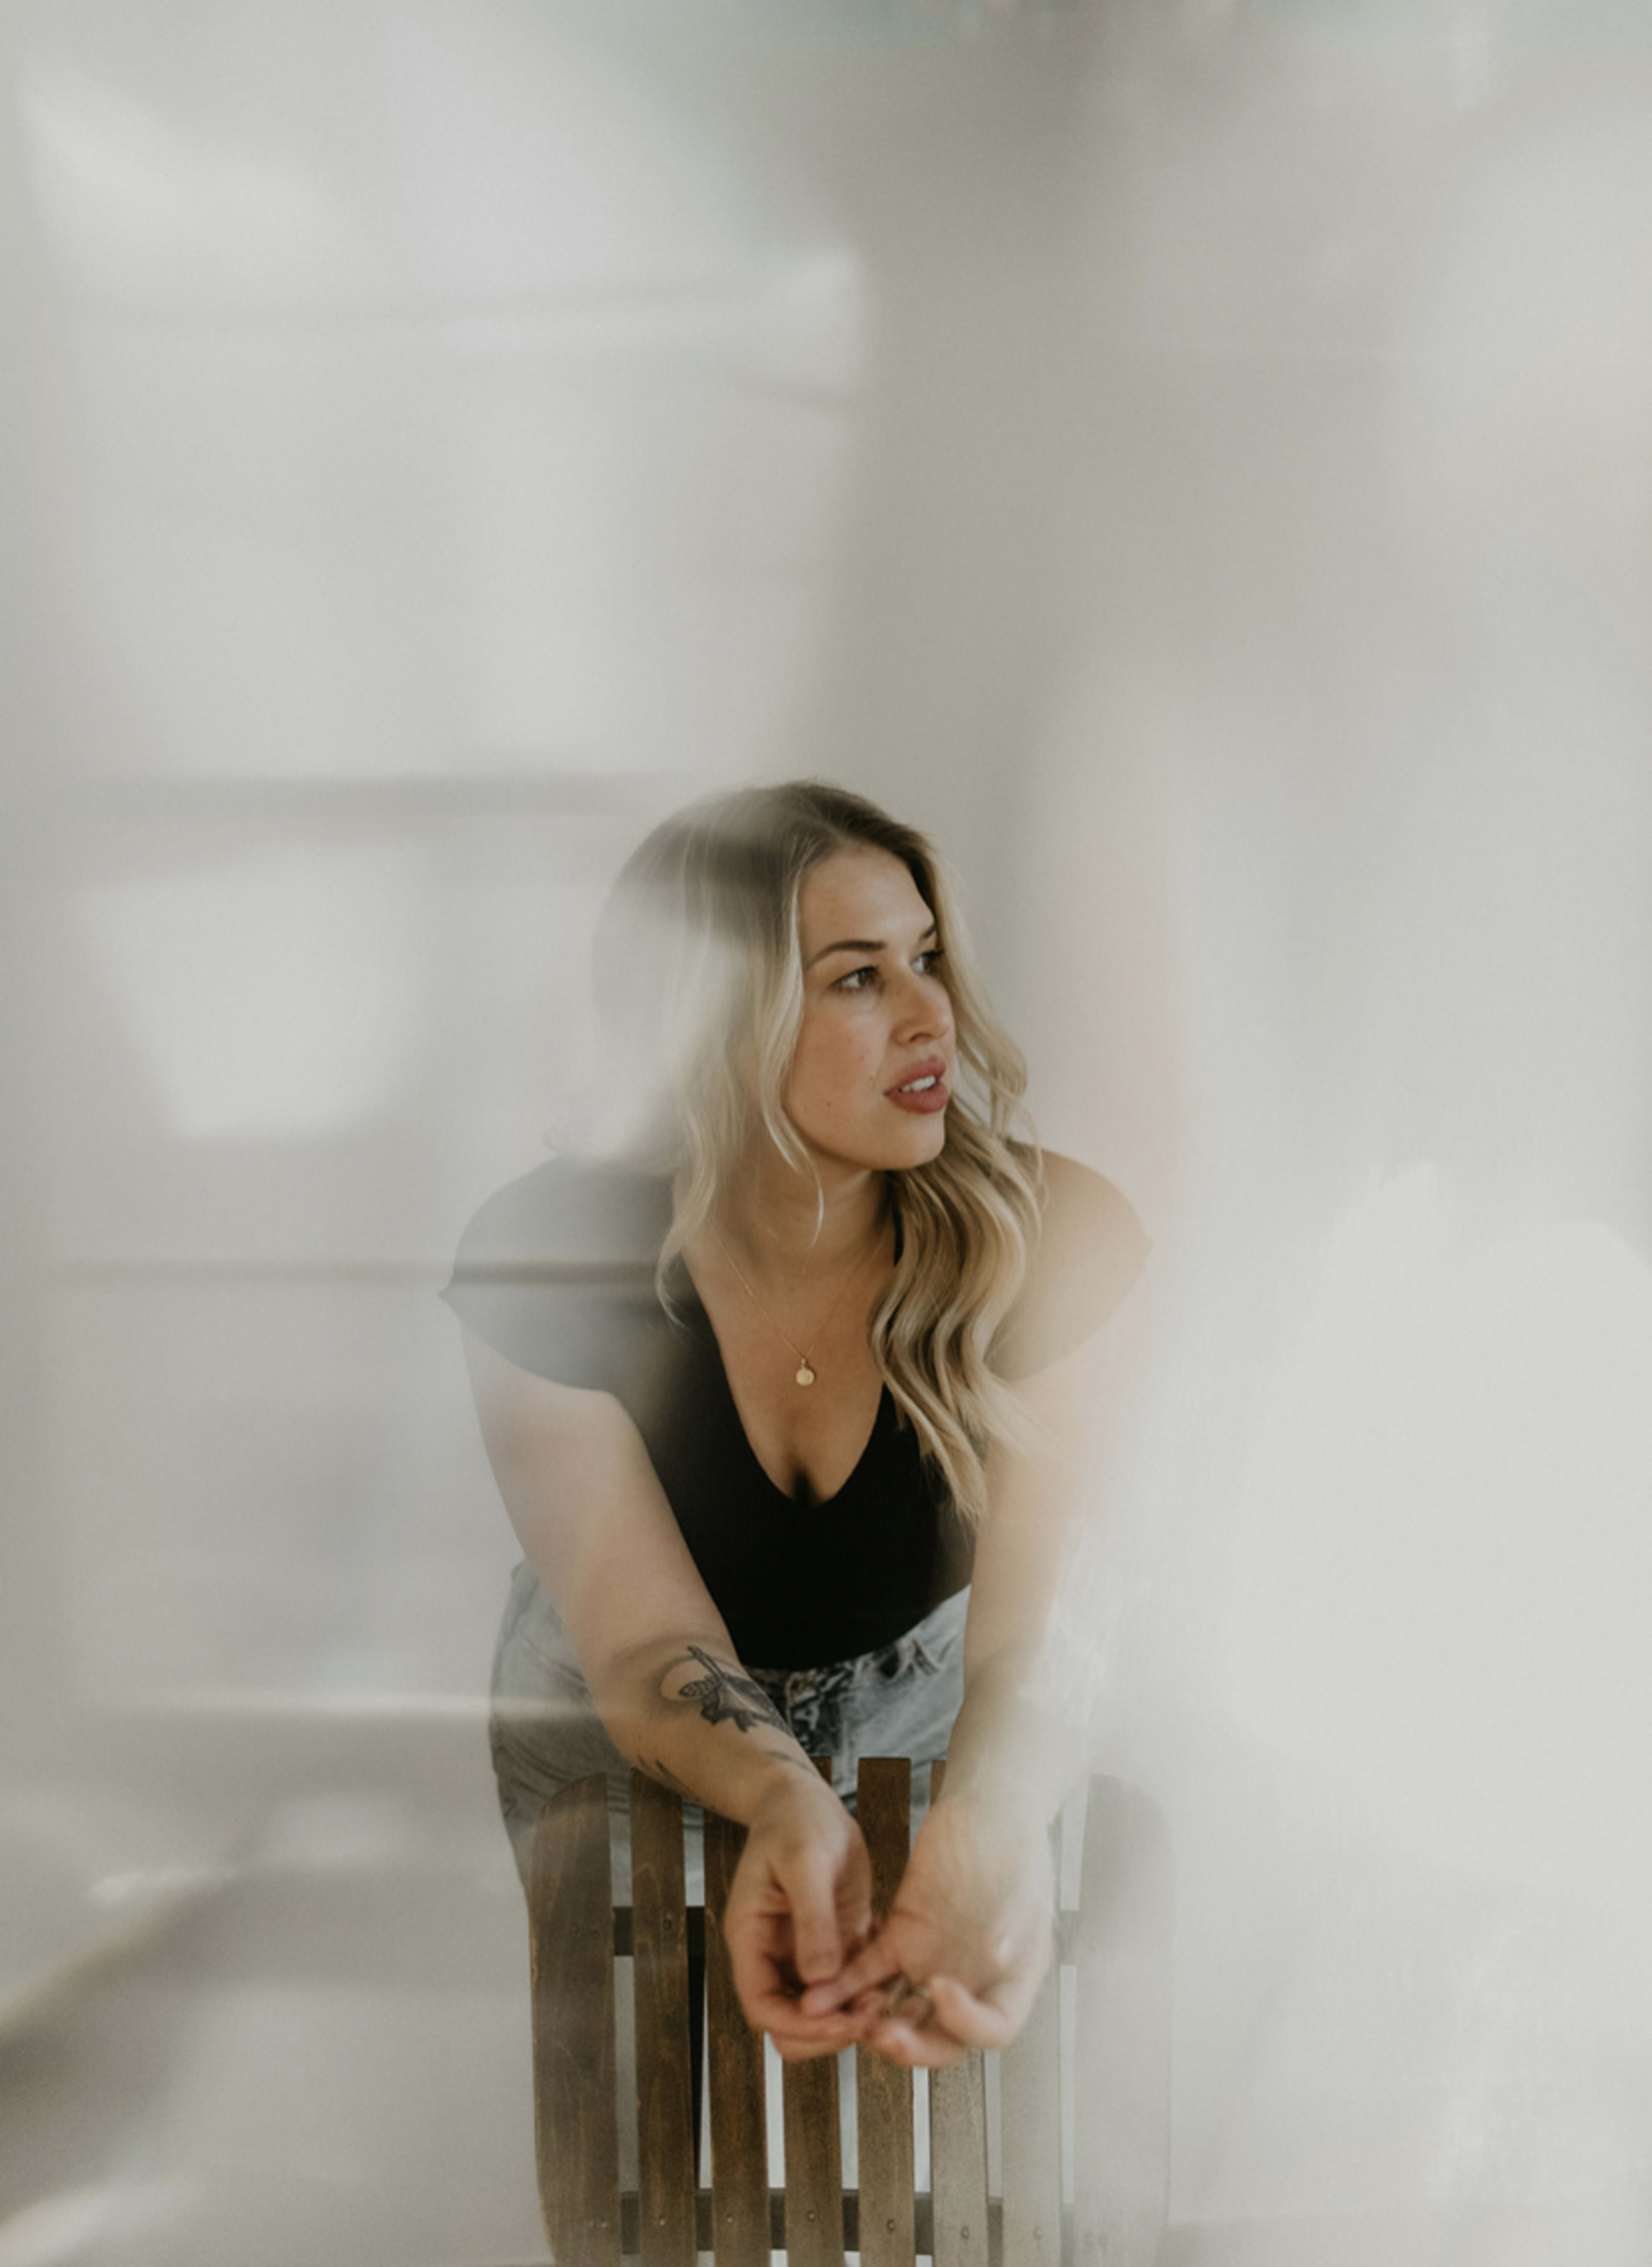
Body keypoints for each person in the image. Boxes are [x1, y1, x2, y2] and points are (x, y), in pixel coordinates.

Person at [443, 780, 1148, 2067]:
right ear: (714, 1023)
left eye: (925, 956)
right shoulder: (544, 1256)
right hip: (620, 1731)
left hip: (940, 1708)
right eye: (857, 979)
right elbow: (648, 1640)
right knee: (652, 2136)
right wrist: (779, 1790)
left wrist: (993, 1820)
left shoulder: (1055, 1244)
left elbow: (1033, 1642)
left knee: (919, 2117)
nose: (935, 1012)